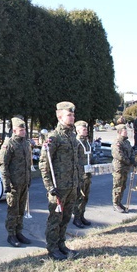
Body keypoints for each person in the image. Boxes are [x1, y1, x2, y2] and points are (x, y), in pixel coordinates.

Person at [39, 101, 79, 260]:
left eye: (73, 114)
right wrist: (49, 186)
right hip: (58, 186)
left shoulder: (72, 135)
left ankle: (61, 245)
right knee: (55, 219)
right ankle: (52, 248)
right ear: (60, 116)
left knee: (66, 218)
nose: (73, 117)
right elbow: (44, 163)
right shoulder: (54, 137)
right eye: (69, 115)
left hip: (71, 185)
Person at [0, 117, 32, 247]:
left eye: (24, 130)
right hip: (13, 184)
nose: (24, 132)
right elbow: (3, 164)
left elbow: (28, 164)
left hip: (24, 182)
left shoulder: (25, 143)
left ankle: (19, 232)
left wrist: (28, 179)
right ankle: (11, 235)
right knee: (13, 210)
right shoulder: (9, 145)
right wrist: (6, 183)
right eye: (21, 130)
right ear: (14, 130)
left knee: (21, 209)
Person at [111, 123, 136, 212]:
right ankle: (115, 203)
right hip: (119, 167)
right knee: (118, 186)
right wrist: (128, 161)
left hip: (126, 167)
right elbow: (118, 155)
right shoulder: (117, 142)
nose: (126, 133)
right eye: (125, 131)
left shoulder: (127, 142)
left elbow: (132, 151)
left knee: (123, 186)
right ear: (120, 132)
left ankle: (119, 202)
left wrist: (133, 159)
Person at [72, 120, 92, 228]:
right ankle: (76, 218)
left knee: (86, 197)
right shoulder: (76, 142)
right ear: (78, 130)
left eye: (86, 129)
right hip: (80, 175)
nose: (86, 131)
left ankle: (82, 215)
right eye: (84, 129)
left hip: (87, 174)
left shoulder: (86, 141)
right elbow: (74, 159)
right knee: (79, 197)